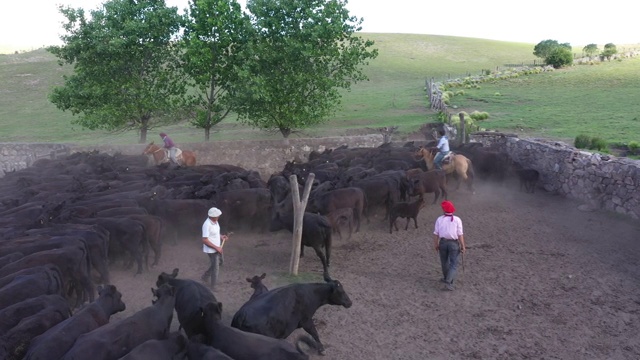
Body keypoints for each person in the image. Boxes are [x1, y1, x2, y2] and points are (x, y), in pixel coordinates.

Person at [433, 200, 465, 291]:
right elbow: (460, 234)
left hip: (442, 243)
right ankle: (448, 282)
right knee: (453, 264)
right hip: (453, 244)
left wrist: (436, 244)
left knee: (444, 262)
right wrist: (463, 246)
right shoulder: (457, 220)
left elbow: (436, 234)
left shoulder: (439, 219)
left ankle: (446, 278)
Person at [201, 207, 229, 289]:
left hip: (218, 247)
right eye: (217, 215)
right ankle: (214, 285)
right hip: (211, 250)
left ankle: (205, 276)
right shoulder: (206, 225)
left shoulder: (215, 222)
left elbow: (215, 233)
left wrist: (221, 236)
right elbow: (205, 240)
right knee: (216, 267)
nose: (219, 216)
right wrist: (217, 248)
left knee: (220, 262)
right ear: (212, 216)